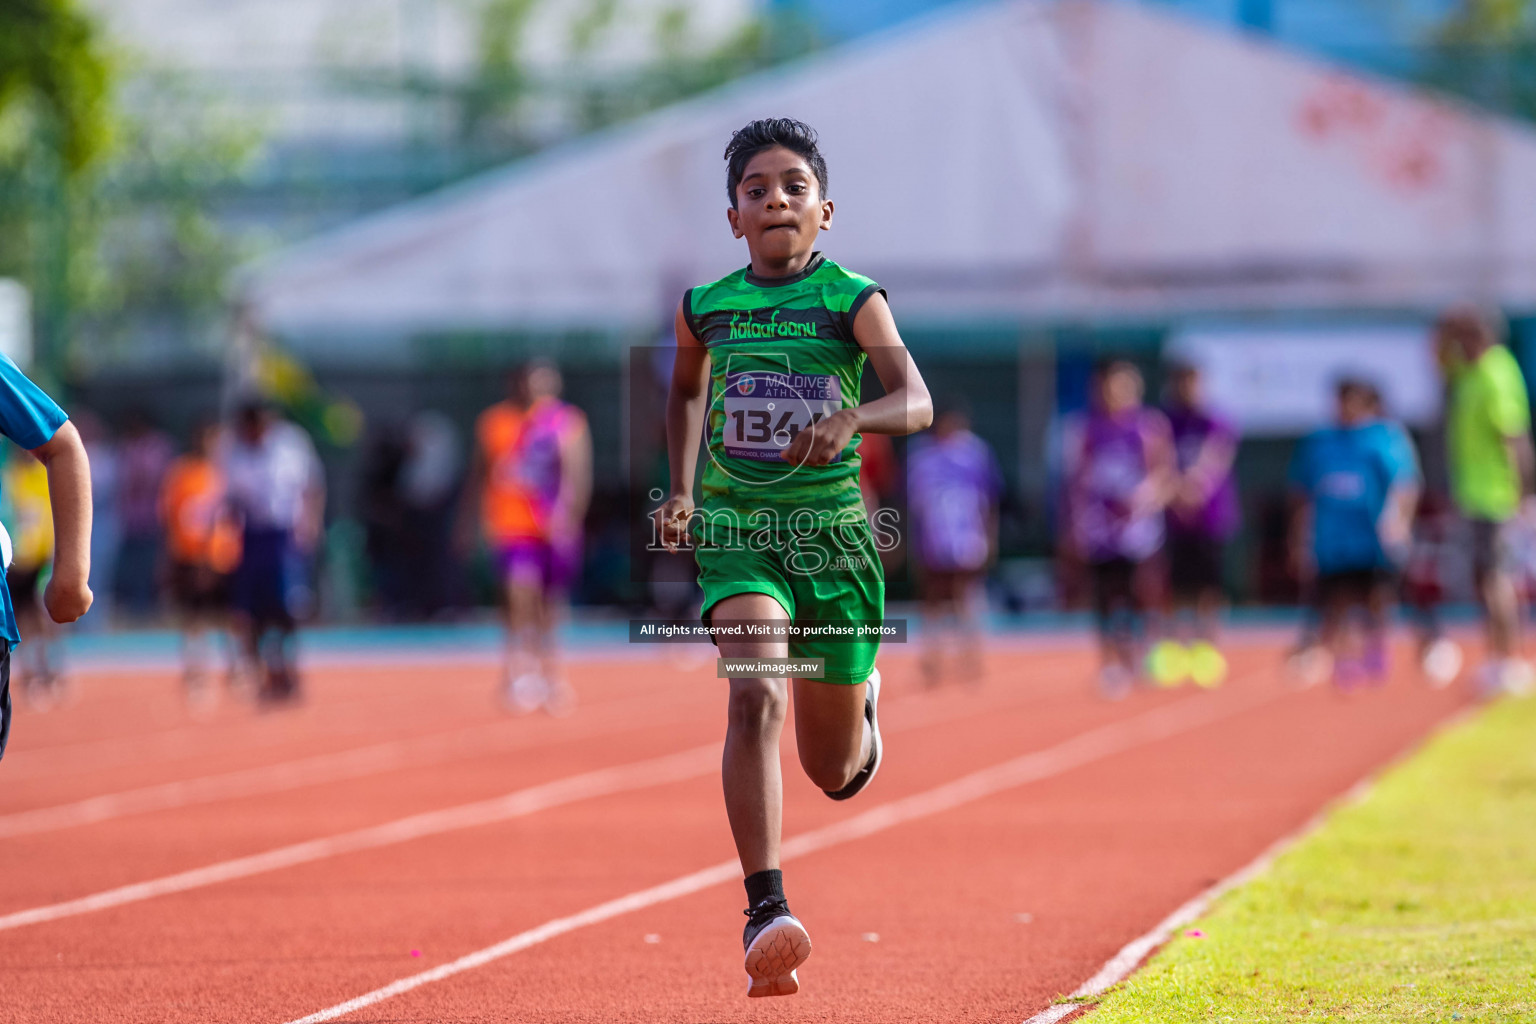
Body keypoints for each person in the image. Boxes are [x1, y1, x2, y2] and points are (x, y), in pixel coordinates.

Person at [657, 119, 931, 998]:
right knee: (755, 689)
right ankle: (765, 909)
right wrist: (685, 490)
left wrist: (853, 417)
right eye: (755, 189)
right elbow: (685, 391)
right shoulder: (706, 305)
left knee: (832, 772)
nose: (775, 198)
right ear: (734, 217)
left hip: (834, 543)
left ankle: (864, 714)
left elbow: (916, 402)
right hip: (741, 536)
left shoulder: (854, 300)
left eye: (793, 186)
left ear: (825, 210)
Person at [470, 360, 592, 714]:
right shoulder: (494, 422)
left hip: (551, 524)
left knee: (550, 603)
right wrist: (469, 521)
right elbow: (479, 473)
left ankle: (553, 673)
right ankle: (518, 670)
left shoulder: (565, 422)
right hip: (510, 524)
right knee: (517, 592)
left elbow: (577, 474)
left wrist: (569, 518)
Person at [1287, 379, 1419, 688]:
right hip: (1333, 539)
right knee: (1337, 600)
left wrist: (1397, 521)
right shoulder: (1319, 442)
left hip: (1371, 537)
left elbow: (1404, 485)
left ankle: (1376, 652)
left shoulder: (1382, 438)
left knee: (1377, 597)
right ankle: (1344, 658)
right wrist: (1298, 537)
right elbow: (1301, 491)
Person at [1436, 307, 1535, 696]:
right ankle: (1498, 658)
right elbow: (1440, 364)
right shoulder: (1469, 371)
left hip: (1496, 494)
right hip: (1474, 493)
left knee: (1498, 579)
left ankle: (1511, 661)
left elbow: (1514, 436)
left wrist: (1522, 492)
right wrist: (1445, 332)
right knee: (1485, 578)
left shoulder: (1496, 374)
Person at [1063, 360, 1174, 699]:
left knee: (1142, 595)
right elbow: (1076, 480)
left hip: (1138, 532)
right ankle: (1110, 663)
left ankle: (1144, 653)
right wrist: (1076, 524)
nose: (1114, 394)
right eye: (1108, 387)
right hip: (1099, 531)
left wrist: (1145, 498)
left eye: (1121, 387)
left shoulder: (1148, 427)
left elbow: (1165, 475)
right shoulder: (1086, 429)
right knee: (1104, 599)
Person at [0, 357, 93, 761]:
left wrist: (70, 574)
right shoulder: (15, 476)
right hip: (22, 554)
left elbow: (62, 443)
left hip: (34, 556)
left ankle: (51, 670)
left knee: (40, 621)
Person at [221, 398, 324, 705]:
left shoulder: (291, 444)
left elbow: (312, 485)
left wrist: (311, 524)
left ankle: (288, 669)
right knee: (250, 612)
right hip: (250, 535)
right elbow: (228, 498)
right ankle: (264, 672)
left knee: (287, 607)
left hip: (283, 535)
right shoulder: (232, 450)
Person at [1148, 362, 1239, 688]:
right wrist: (1174, 493)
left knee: (1209, 586)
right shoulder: (1163, 421)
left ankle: (1207, 648)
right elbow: (1159, 459)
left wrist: (1193, 488)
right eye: (1181, 381)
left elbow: (1215, 459)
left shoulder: (1215, 420)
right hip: (1174, 519)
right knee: (1174, 587)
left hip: (1211, 517)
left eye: (1193, 381)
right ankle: (1174, 648)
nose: (1187, 388)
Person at [907, 402, 1002, 687]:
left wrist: (990, 537)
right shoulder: (921, 457)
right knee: (933, 599)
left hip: (966, 538)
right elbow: (913, 505)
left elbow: (990, 499)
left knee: (967, 596)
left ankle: (970, 657)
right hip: (934, 539)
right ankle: (931, 658)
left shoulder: (975, 454)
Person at [160, 421, 241, 702]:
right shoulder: (182, 473)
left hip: (220, 557)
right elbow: (172, 515)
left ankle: (236, 668)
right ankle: (195, 670)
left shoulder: (224, 473)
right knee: (193, 617)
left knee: (230, 616)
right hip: (189, 555)